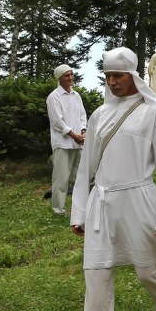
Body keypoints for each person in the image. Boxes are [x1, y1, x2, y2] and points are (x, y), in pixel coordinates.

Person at [70, 47, 156, 311]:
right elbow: (86, 168)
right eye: (108, 76)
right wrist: (79, 211)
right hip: (102, 203)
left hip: (139, 199)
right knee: (96, 275)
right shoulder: (99, 115)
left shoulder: (153, 113)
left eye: (118, 75)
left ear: (133, 75)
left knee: (149, 270)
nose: (112, 82)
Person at [47, 64, 87, 216]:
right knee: (61, 179)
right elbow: (57, 122)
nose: (70, 78)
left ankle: (82, 209)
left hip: (78, 143)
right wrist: (74, 135)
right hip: (62, 144)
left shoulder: (76, 96)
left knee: (81, 177)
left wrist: (83, 131)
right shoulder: (54, 97)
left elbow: (82, 115)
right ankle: (58, 210)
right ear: (59, 78)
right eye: (66, 75)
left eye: (71, 74)